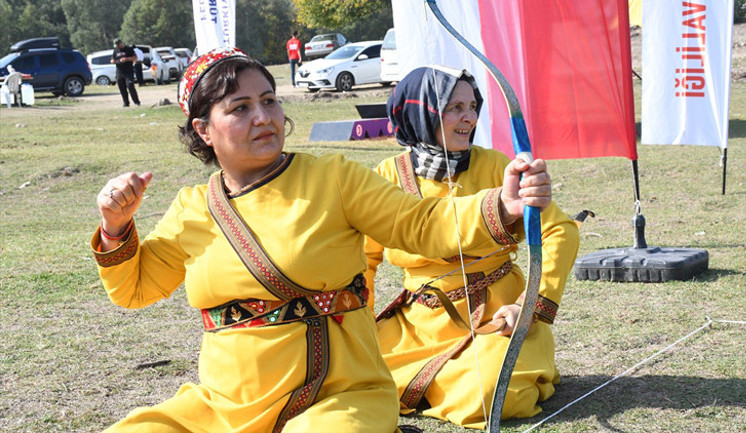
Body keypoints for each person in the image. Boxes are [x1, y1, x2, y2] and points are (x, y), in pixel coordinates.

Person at [90, 48, 553, 432]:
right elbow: (136, 289)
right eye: (240, 108)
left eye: (269, 101)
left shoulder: (334, 178)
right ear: (203, 131)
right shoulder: (192, 207)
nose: (263, 117)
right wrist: (115, 227)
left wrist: (504, 204)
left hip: (338, 396)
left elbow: (422, 222)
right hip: (226, 405)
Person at [364, 66, 580, 429]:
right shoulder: (386, 176)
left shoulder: (496, 165)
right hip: (419, 323)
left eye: (472, 105)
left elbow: (560, 230)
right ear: (422, 112)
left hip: (497, 316)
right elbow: (361, 262)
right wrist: (359, 328)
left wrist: (527, 307)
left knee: (490, 389)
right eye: (454, 107)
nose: (469, 117)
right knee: (359, 378)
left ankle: (452, 384)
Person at [111, 39, 140, 107]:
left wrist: (127, 59)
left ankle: (136, 102)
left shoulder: (129, 49)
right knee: (122, 88)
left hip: (128, 71)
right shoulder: (115, 51)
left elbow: (135, 57)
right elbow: (113, 59)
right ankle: (126, 103)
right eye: (116, 46)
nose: (117, 47)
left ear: (121, 43)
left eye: (118, 45)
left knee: (130, 86)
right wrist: (113, 61)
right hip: (119, 72)